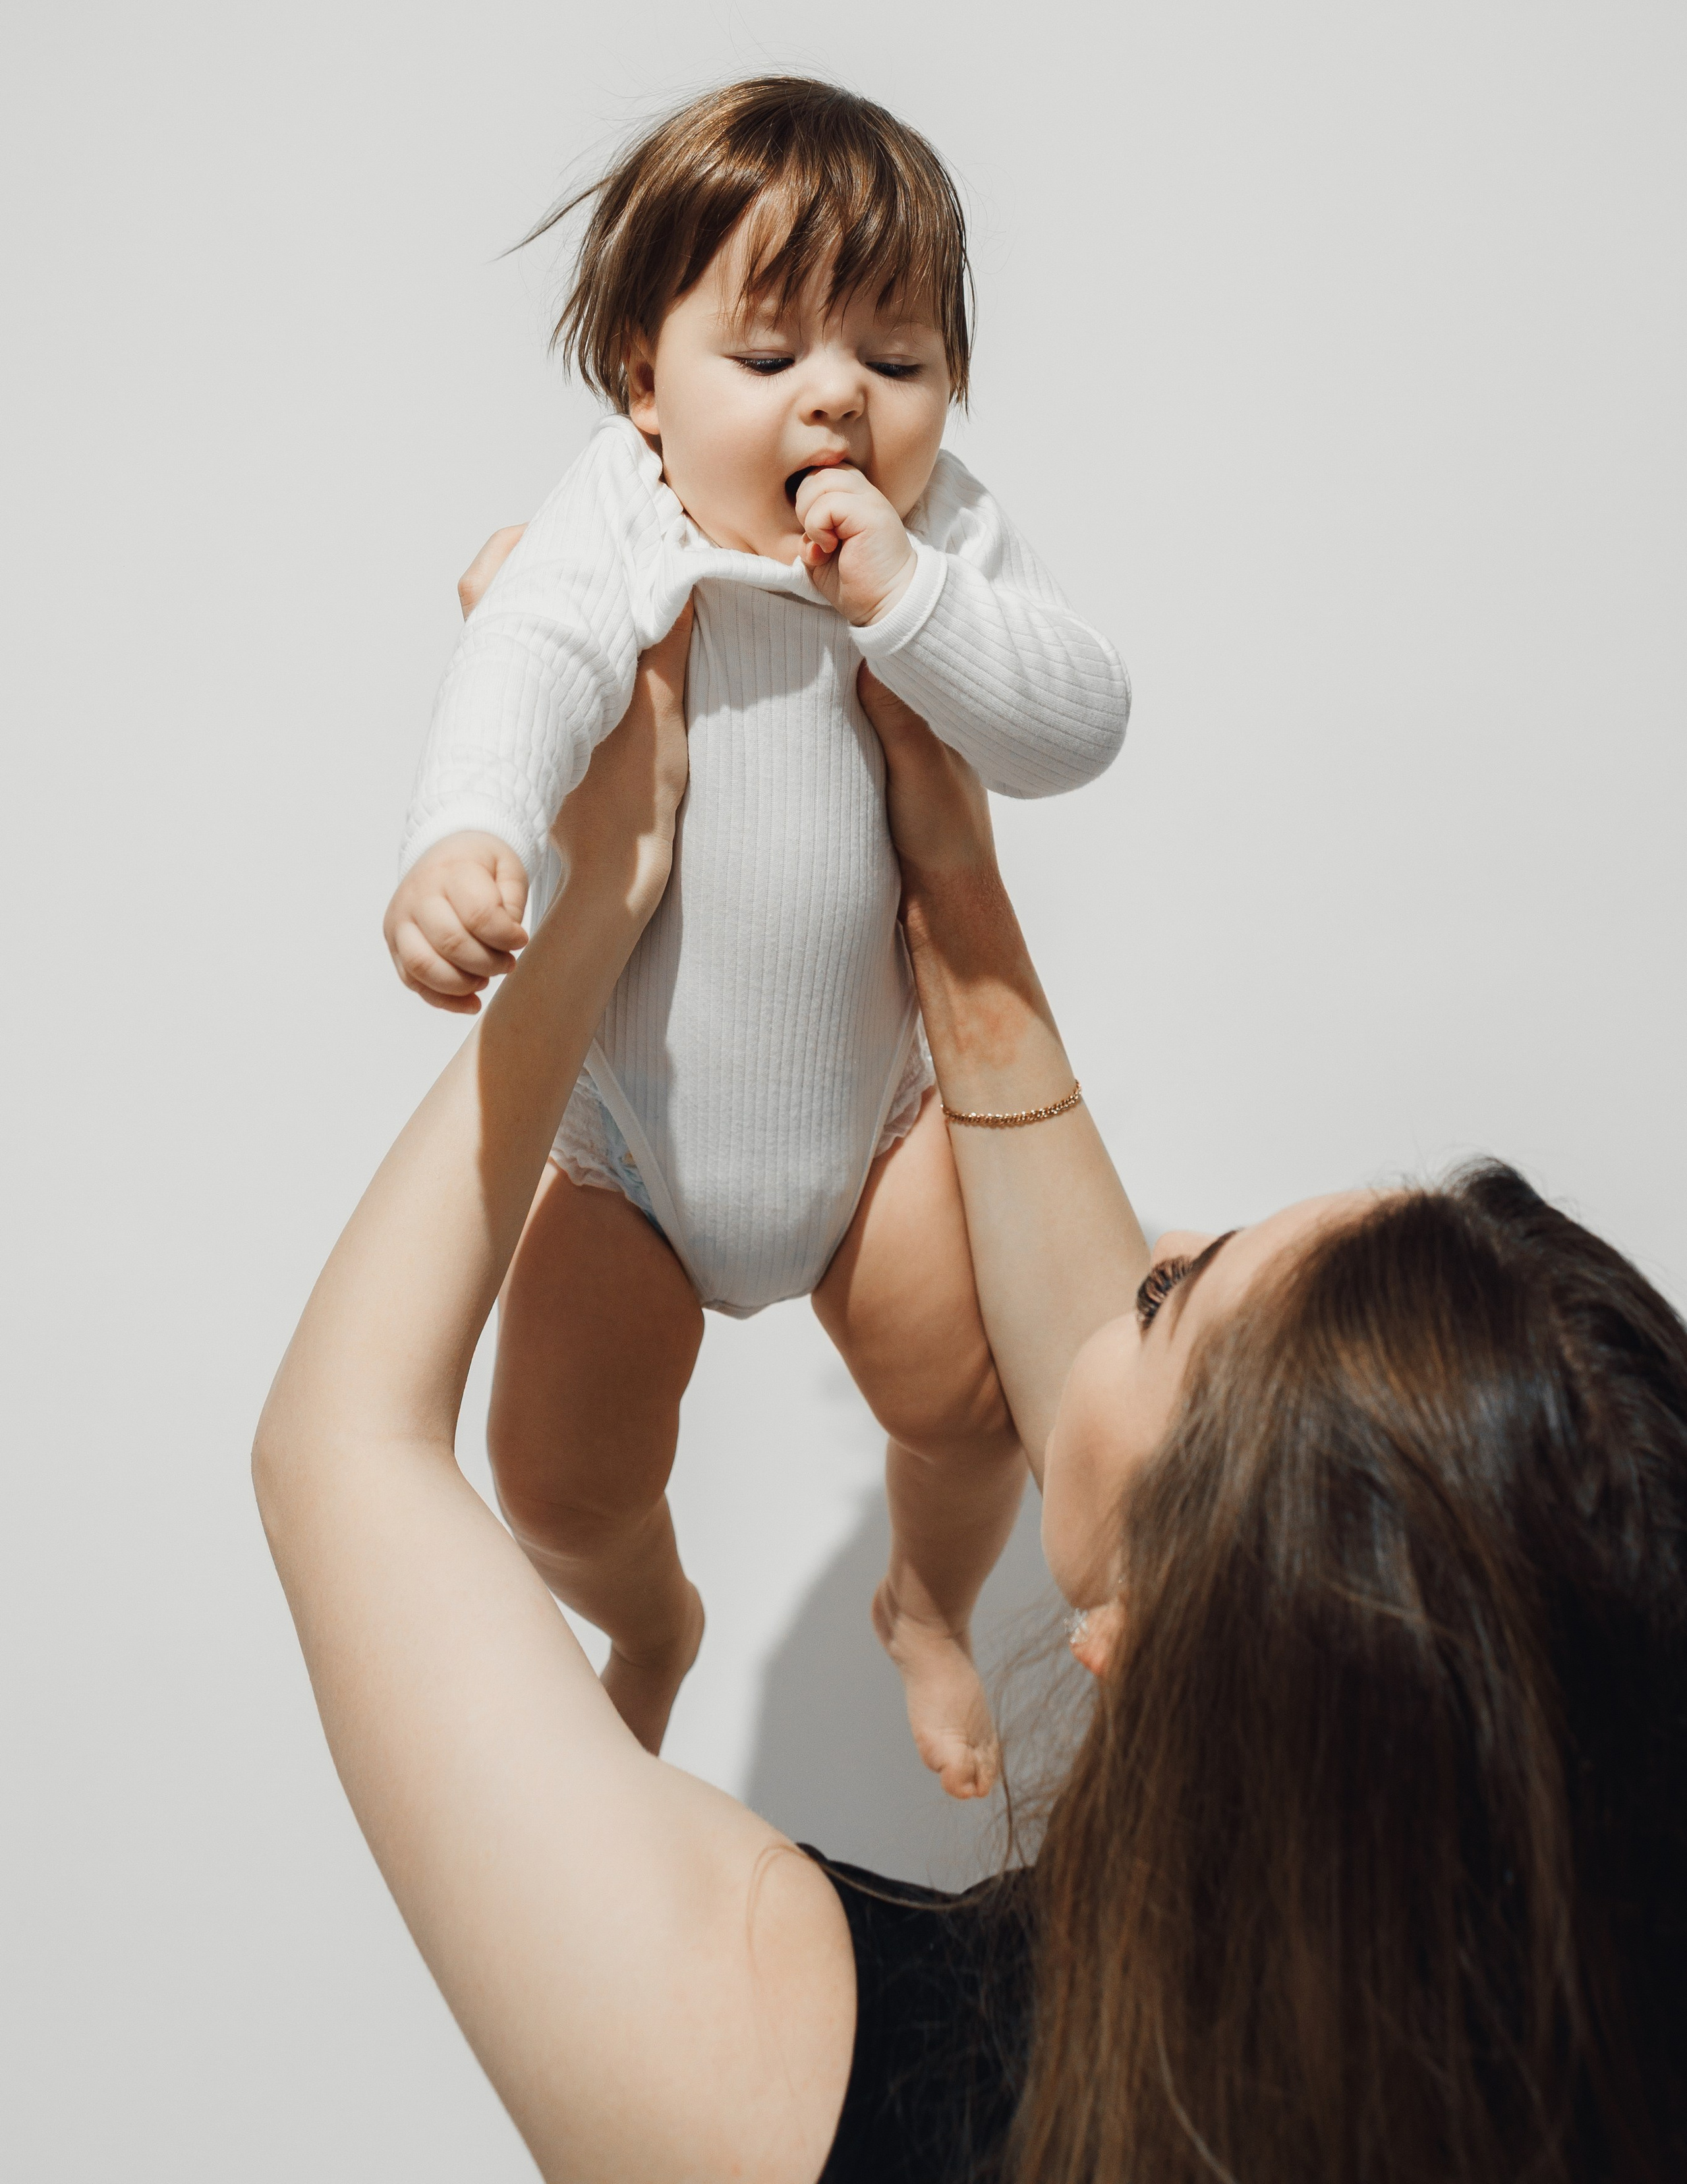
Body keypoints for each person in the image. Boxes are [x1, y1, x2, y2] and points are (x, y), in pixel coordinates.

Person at [257, 630, 1687, 2183]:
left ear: (1145, 1642)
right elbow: (1123, 1427)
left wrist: (605, 886)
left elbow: (343, 1445)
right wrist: (952, 895)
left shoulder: (793, 2061)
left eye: (1167, 1298)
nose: (1149, 1237)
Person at [382, 77, 1129, 1790]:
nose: (839, 404)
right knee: (555, 1473)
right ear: (645, 382)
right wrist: (468, 836)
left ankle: (925, 1607)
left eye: (897, 358)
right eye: (772, 354)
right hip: (634, 1154)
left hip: (877, 1136)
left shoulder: (943, 538)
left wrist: (910, 602)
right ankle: (652, 1621)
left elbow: (1075, 725)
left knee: (973, 1404)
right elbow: (531, 659)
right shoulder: (624, 518)